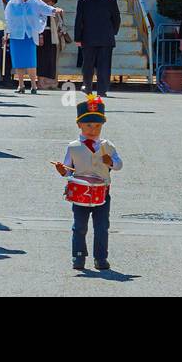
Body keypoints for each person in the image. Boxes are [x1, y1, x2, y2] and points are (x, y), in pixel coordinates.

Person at [52, 93, 122, 271]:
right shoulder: (73, 146)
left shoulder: (107, 145)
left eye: (98, 125)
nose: (93, 129)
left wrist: (111, 162)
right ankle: (78, 257)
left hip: (102, 192)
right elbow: (68, 169)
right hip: (80, 193)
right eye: (88, 125)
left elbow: (119, 164)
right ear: (79, 125)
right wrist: (62, 170)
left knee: (101, 227)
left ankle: (101, 258)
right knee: (79, 227)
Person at [74, 0, 120, 97]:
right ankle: (102, 90)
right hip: (106, 38)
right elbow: (116, 19)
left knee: (88, 64)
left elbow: (79, 21)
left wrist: (78, 38)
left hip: (88, 38)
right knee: (104, 65)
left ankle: (87, 87)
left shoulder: (82, 0)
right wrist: (112, 32)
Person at [37, 0, 67, 89]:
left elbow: (60, 24)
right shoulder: (40, 10)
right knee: (42, 60)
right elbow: (38, 24)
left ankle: (52, 83)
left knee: (52, 60)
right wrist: (40, 36)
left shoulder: (55, 11)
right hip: (43, 36)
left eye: (52, 0)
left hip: (53, 37)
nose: (50, 2)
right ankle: (41, 83)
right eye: (48, 0)